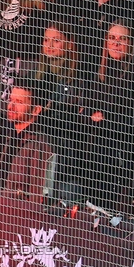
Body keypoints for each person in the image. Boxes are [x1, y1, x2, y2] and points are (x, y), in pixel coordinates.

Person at [81, 22, 134, 209]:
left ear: (131, 43)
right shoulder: (98, 73)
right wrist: (91, 114)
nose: (116, 43)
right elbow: (85, 107)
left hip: (125, 156)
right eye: (112, 38)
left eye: (122, 39)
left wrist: (104, 117)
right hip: (98, 154)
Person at [33, 20, 87, 196]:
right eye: (46, 40)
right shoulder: (36, 76)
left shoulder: (79, 78)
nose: (49, 45)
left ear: (69, 44)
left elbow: (74, 117)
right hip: (41, 148)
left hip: (68, 155)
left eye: (56, 40)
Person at [2, 81, 56, 202]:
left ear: (36, 109)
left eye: (19, 102)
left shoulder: (40, 145)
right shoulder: (8, 136)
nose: (11, 106)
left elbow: (37, 196)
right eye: (11, 100)